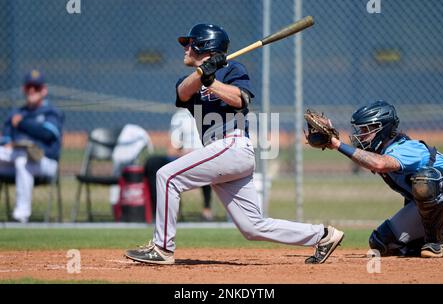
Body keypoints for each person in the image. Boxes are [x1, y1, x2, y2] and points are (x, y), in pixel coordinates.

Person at [125, 23, 344, 265]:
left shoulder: (233, 69)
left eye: (189, 43)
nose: (185, 48)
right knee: (253, 227)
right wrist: (202, 74)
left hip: (232, 145)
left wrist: (212, 81)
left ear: (204, 45)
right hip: (219, 153)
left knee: (167, 176)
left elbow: (240, 100)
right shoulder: (190, 79)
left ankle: (162, 248)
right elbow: (183, 92)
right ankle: (323, 235)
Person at [327, 100, 443, 257]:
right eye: (360, 129)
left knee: (427, 180)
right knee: (381, 242)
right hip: (442, 204)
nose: (360, 135)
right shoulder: (384, 151)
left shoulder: (404, 148)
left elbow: (379, 164)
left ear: (383, 129)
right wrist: (332, 139)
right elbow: (371, 160)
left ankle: (437, 242)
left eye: (366, 129)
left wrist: (338, 145)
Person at [0, 69, 64, 223]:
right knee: (20, 158)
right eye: (28, 87)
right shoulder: (16, 112)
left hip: (45, 162)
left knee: (23, 160)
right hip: (15, 159)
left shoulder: (51, 112)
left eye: (35, 87)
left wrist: (22, 123)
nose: (31, 90)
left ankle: (21, 215)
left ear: (44, 90)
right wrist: (6, 143)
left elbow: (47, 134)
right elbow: (5, 138)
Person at [144, 108, 213, 221]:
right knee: (153, 162)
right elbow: (172, 149)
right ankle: (163, 211)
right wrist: (184, 153)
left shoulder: (211, 112)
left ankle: (207, 208)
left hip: (207, 156)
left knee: (205, 162)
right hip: (183, 157)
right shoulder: (181, 116)